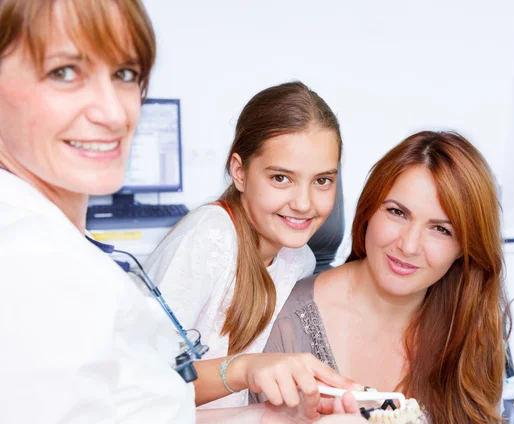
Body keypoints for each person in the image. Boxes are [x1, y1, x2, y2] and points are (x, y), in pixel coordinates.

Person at [0, 1, 360, 422]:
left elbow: (153, 406)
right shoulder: (29, 260)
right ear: (240, 171)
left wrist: (276, 415)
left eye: (126, 75)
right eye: (63, 72)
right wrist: (242, 374)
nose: (115, 113)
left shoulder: (68, 254)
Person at [253, 131, 512, 423]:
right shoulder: (284, 320)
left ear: (463, 248)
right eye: (397, 212)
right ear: (369, 211)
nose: (408, 245)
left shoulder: (471, 331)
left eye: (441, 229)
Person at [144, 80, 346, 409]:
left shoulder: (299, 260)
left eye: (322, 180)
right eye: (281, 178)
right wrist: (243, 370)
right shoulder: (210, 238)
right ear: (239, 172)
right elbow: (140, 385)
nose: (303, 203)